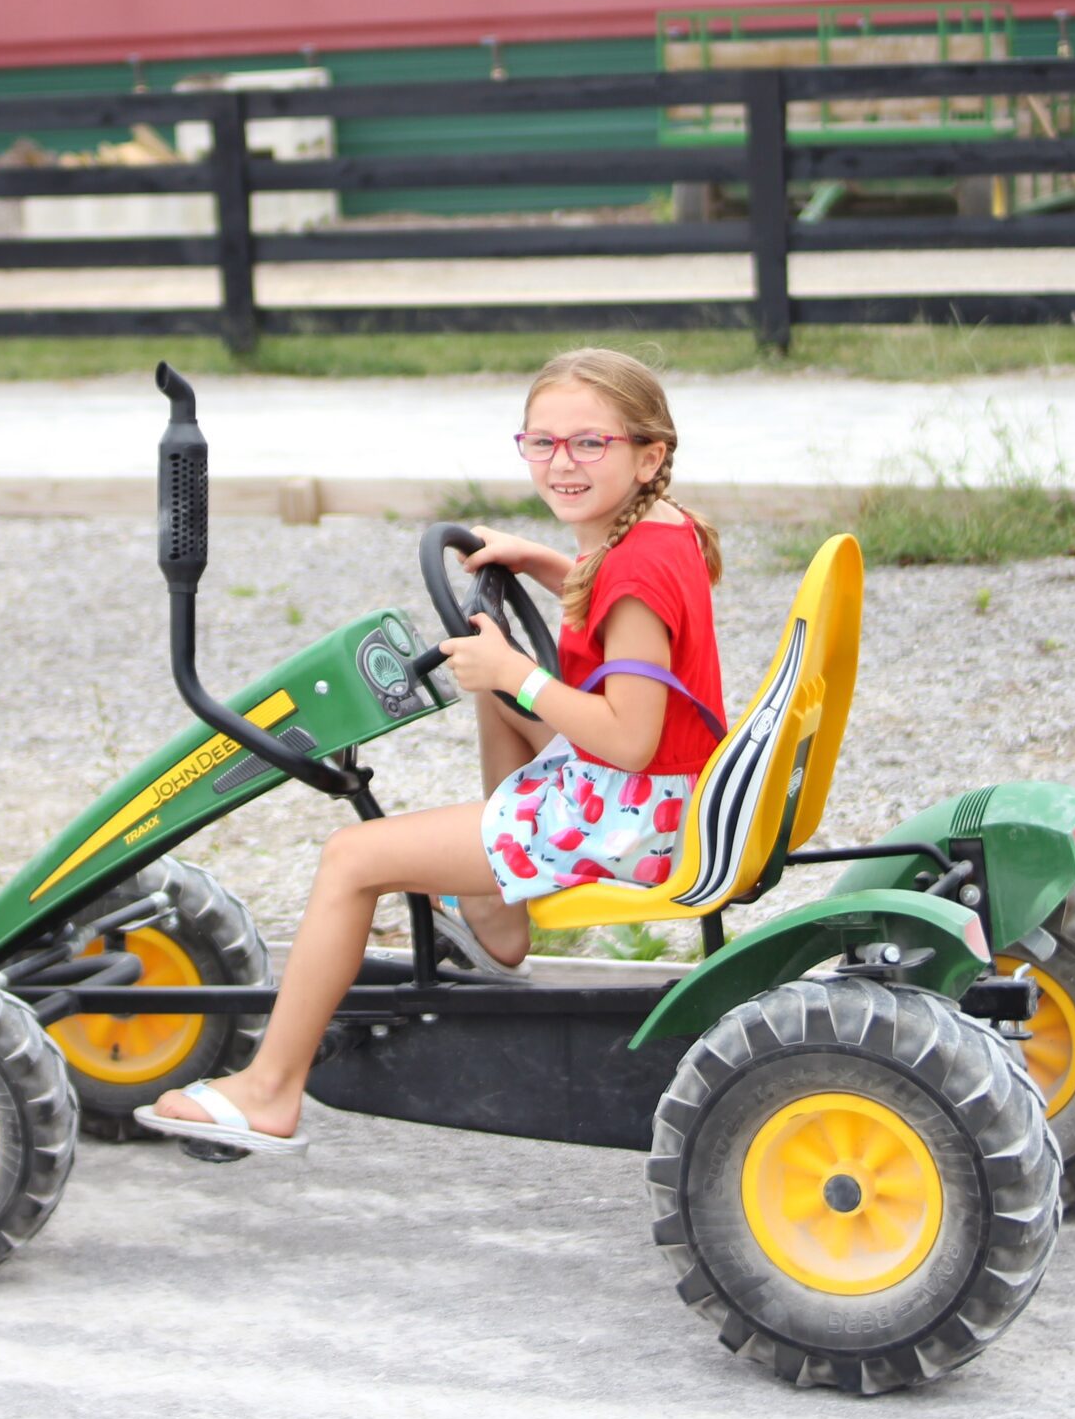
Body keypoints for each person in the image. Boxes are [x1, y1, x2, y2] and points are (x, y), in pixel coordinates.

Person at [137, 347, 725, 1152]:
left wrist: (518, 673)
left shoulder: (632, 581)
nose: (563, 463)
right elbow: (622, 599)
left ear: (650, 453)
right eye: (542, 442)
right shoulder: (663, 529)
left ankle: (269, 1090)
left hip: (630, 814)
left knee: (353, 856)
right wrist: (545, 565)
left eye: (591, 444)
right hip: (660, 792)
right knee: (492, 685)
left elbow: (629, 737)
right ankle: (496, 915)